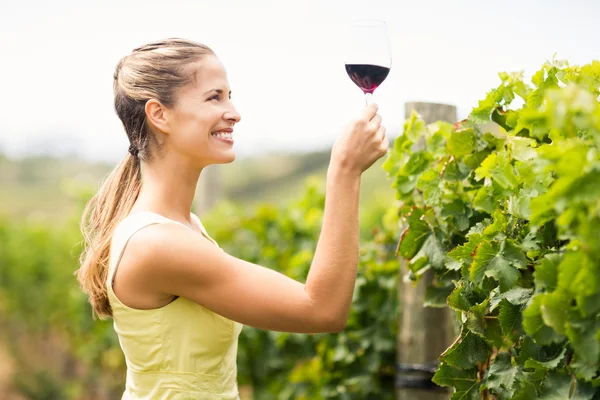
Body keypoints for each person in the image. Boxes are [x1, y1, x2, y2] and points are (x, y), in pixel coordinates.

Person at [75, 38, 388, 400]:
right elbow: (322, 310)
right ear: (159, 114)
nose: (234, 112)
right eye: (214, 97)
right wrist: (344, 171)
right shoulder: (158, 244)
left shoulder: (183, 226)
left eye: (229, 95)